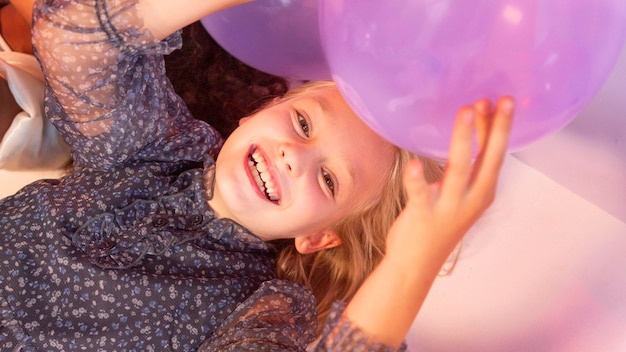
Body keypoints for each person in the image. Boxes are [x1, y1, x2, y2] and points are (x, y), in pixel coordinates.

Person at [0, 0, 514, 351]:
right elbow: (73, 41)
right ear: (256, 113)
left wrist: (410, 265)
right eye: (304, 123)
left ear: (317, 237)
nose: (295, 154)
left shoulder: (257, 306)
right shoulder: (155, 150)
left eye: (330, 179)